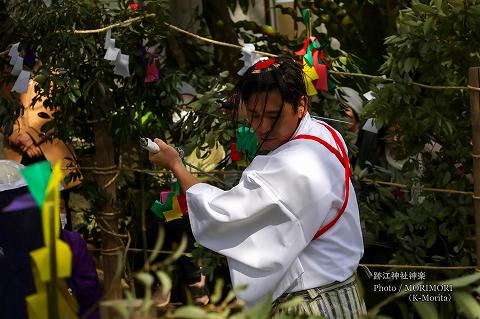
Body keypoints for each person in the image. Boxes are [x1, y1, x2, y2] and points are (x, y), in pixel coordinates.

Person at [148, 56, 365, 318]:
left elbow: (222, 214)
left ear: (301, 105)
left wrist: (176, 165)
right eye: (253, 114)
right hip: (341, 294)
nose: (261, 127)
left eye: (273, 116)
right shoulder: (324, 133)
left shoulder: (294, 165)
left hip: (311, 305)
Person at [1, 78, 82, 229]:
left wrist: (31, 135)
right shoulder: (5, 68)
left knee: (54, 214)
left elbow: (54, 106)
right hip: (16, 153)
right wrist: (17, 136)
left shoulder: (53, 66)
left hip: (47, 148)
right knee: (21, 218)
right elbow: (2, 108)